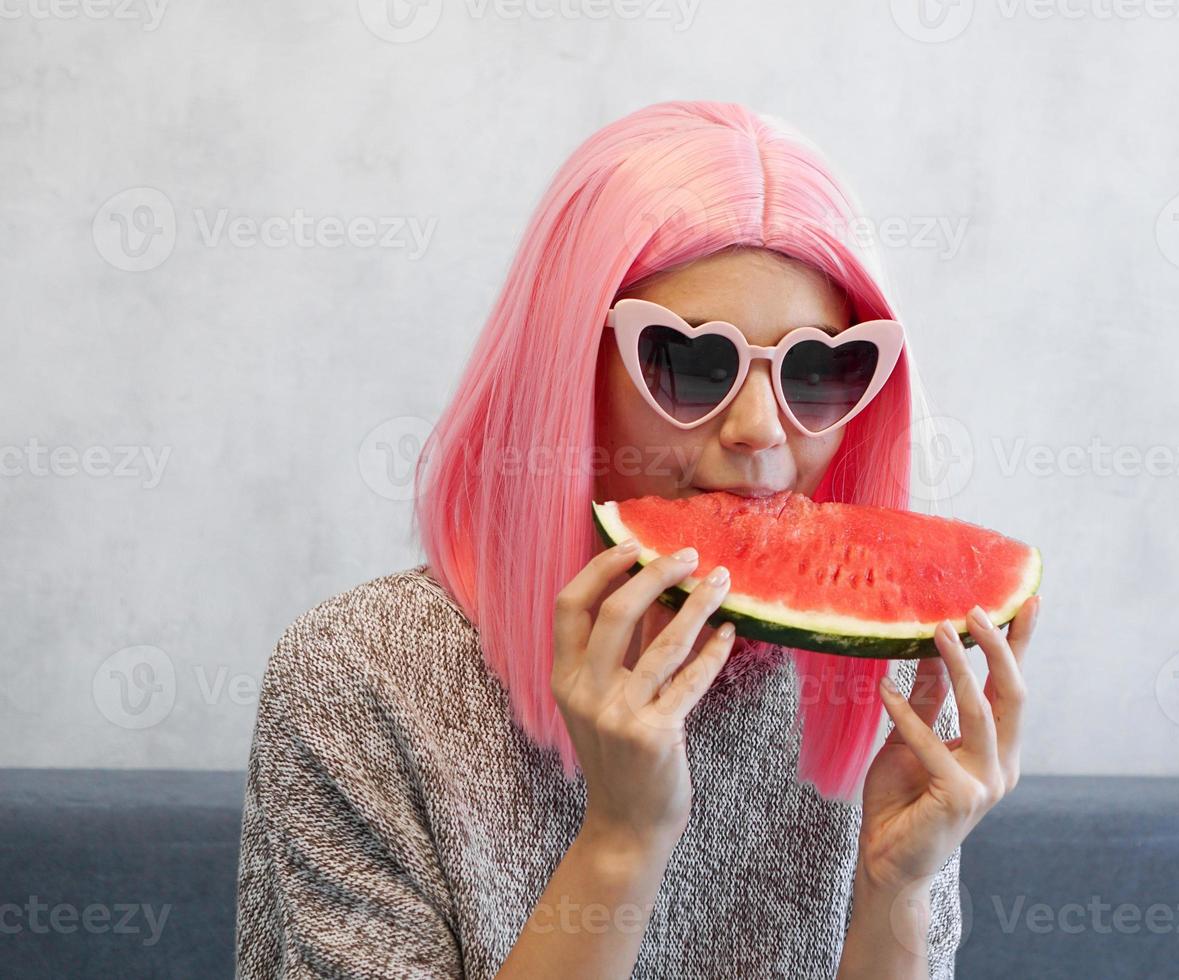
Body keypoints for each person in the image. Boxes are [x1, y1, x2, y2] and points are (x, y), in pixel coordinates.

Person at [235, 100, 1041, 980]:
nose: (759, 430)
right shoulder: (361, 678)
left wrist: (897, 889)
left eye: (818, 370)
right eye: (691, 362)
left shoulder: (902, 684)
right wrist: (621, 838)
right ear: (568, 372)